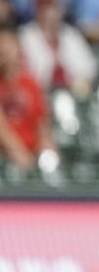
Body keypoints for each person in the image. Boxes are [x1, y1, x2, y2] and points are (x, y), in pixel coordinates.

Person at [0, 23, 53, 171]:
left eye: (7, 44)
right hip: (6, 159)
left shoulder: (30, 84)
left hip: (31, 155)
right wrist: (18, 153)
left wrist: (46, 152)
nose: (3, 49)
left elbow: (42, 123)